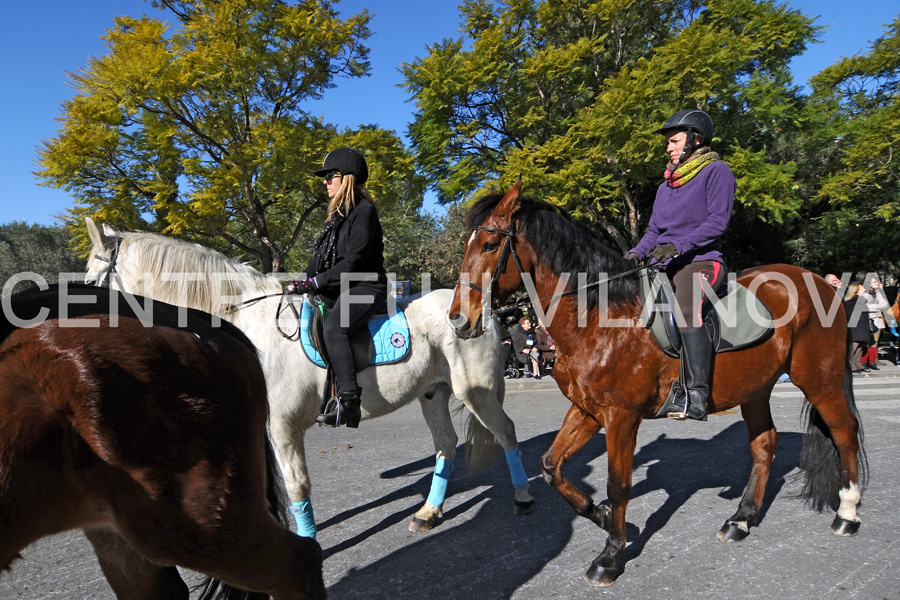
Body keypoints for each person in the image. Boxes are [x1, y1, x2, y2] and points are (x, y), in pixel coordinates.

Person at [624, 109, 736, 421]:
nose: (669, 147)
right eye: (668, 143)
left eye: (674, 141)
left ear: (695, 140)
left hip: (701, 262)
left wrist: (678, 246)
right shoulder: (665, 187)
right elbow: (653, 232)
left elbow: (717, 222)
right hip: (666, 262)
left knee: (687, 307)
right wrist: (635, 254)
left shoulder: (718, 172)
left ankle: (697, 396)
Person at [287, 147, 387, 427]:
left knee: (335, 326)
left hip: (367, 287)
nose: (325, 181)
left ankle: (349, 402)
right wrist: (301, 281)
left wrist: (317, 282)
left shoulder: (364, 212)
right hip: (344, 286)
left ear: (347, 178)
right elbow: (320, 258)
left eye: (330, 175)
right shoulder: (338, 216)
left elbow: (353, 263)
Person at [844, 282, 870, 373]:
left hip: (861, 328)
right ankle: (851, 365)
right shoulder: (851, 302)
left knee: (859, 348)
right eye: (862, 289)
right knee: (853, 348)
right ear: (857, 291)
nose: (865, 290)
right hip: (855, 328)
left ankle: (858, 364)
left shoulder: (861, 300)